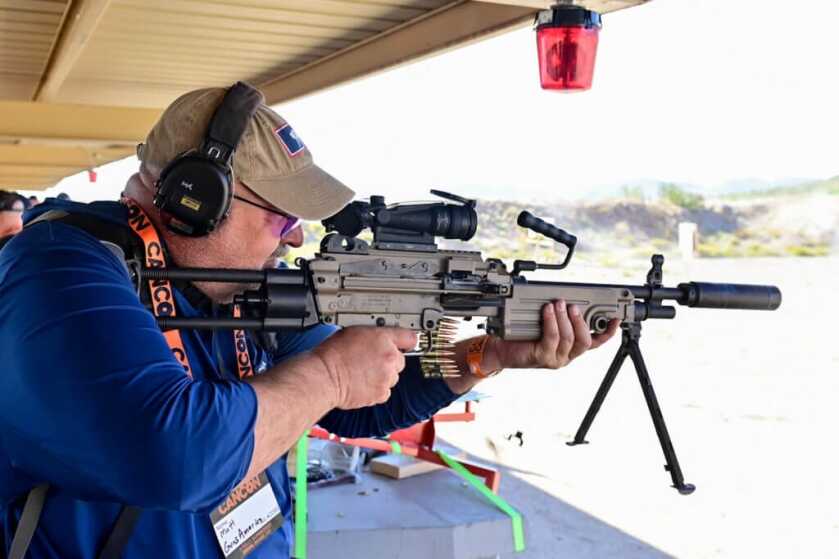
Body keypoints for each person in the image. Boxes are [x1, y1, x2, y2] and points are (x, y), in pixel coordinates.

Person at [0, 83, 618, 558]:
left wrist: (488, 355)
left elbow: (361, 403)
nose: (295, 235)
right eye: (281, 214)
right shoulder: (59, 267)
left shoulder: (233, 286)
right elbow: (172, 457)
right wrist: (326, 376)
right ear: (197, 198)